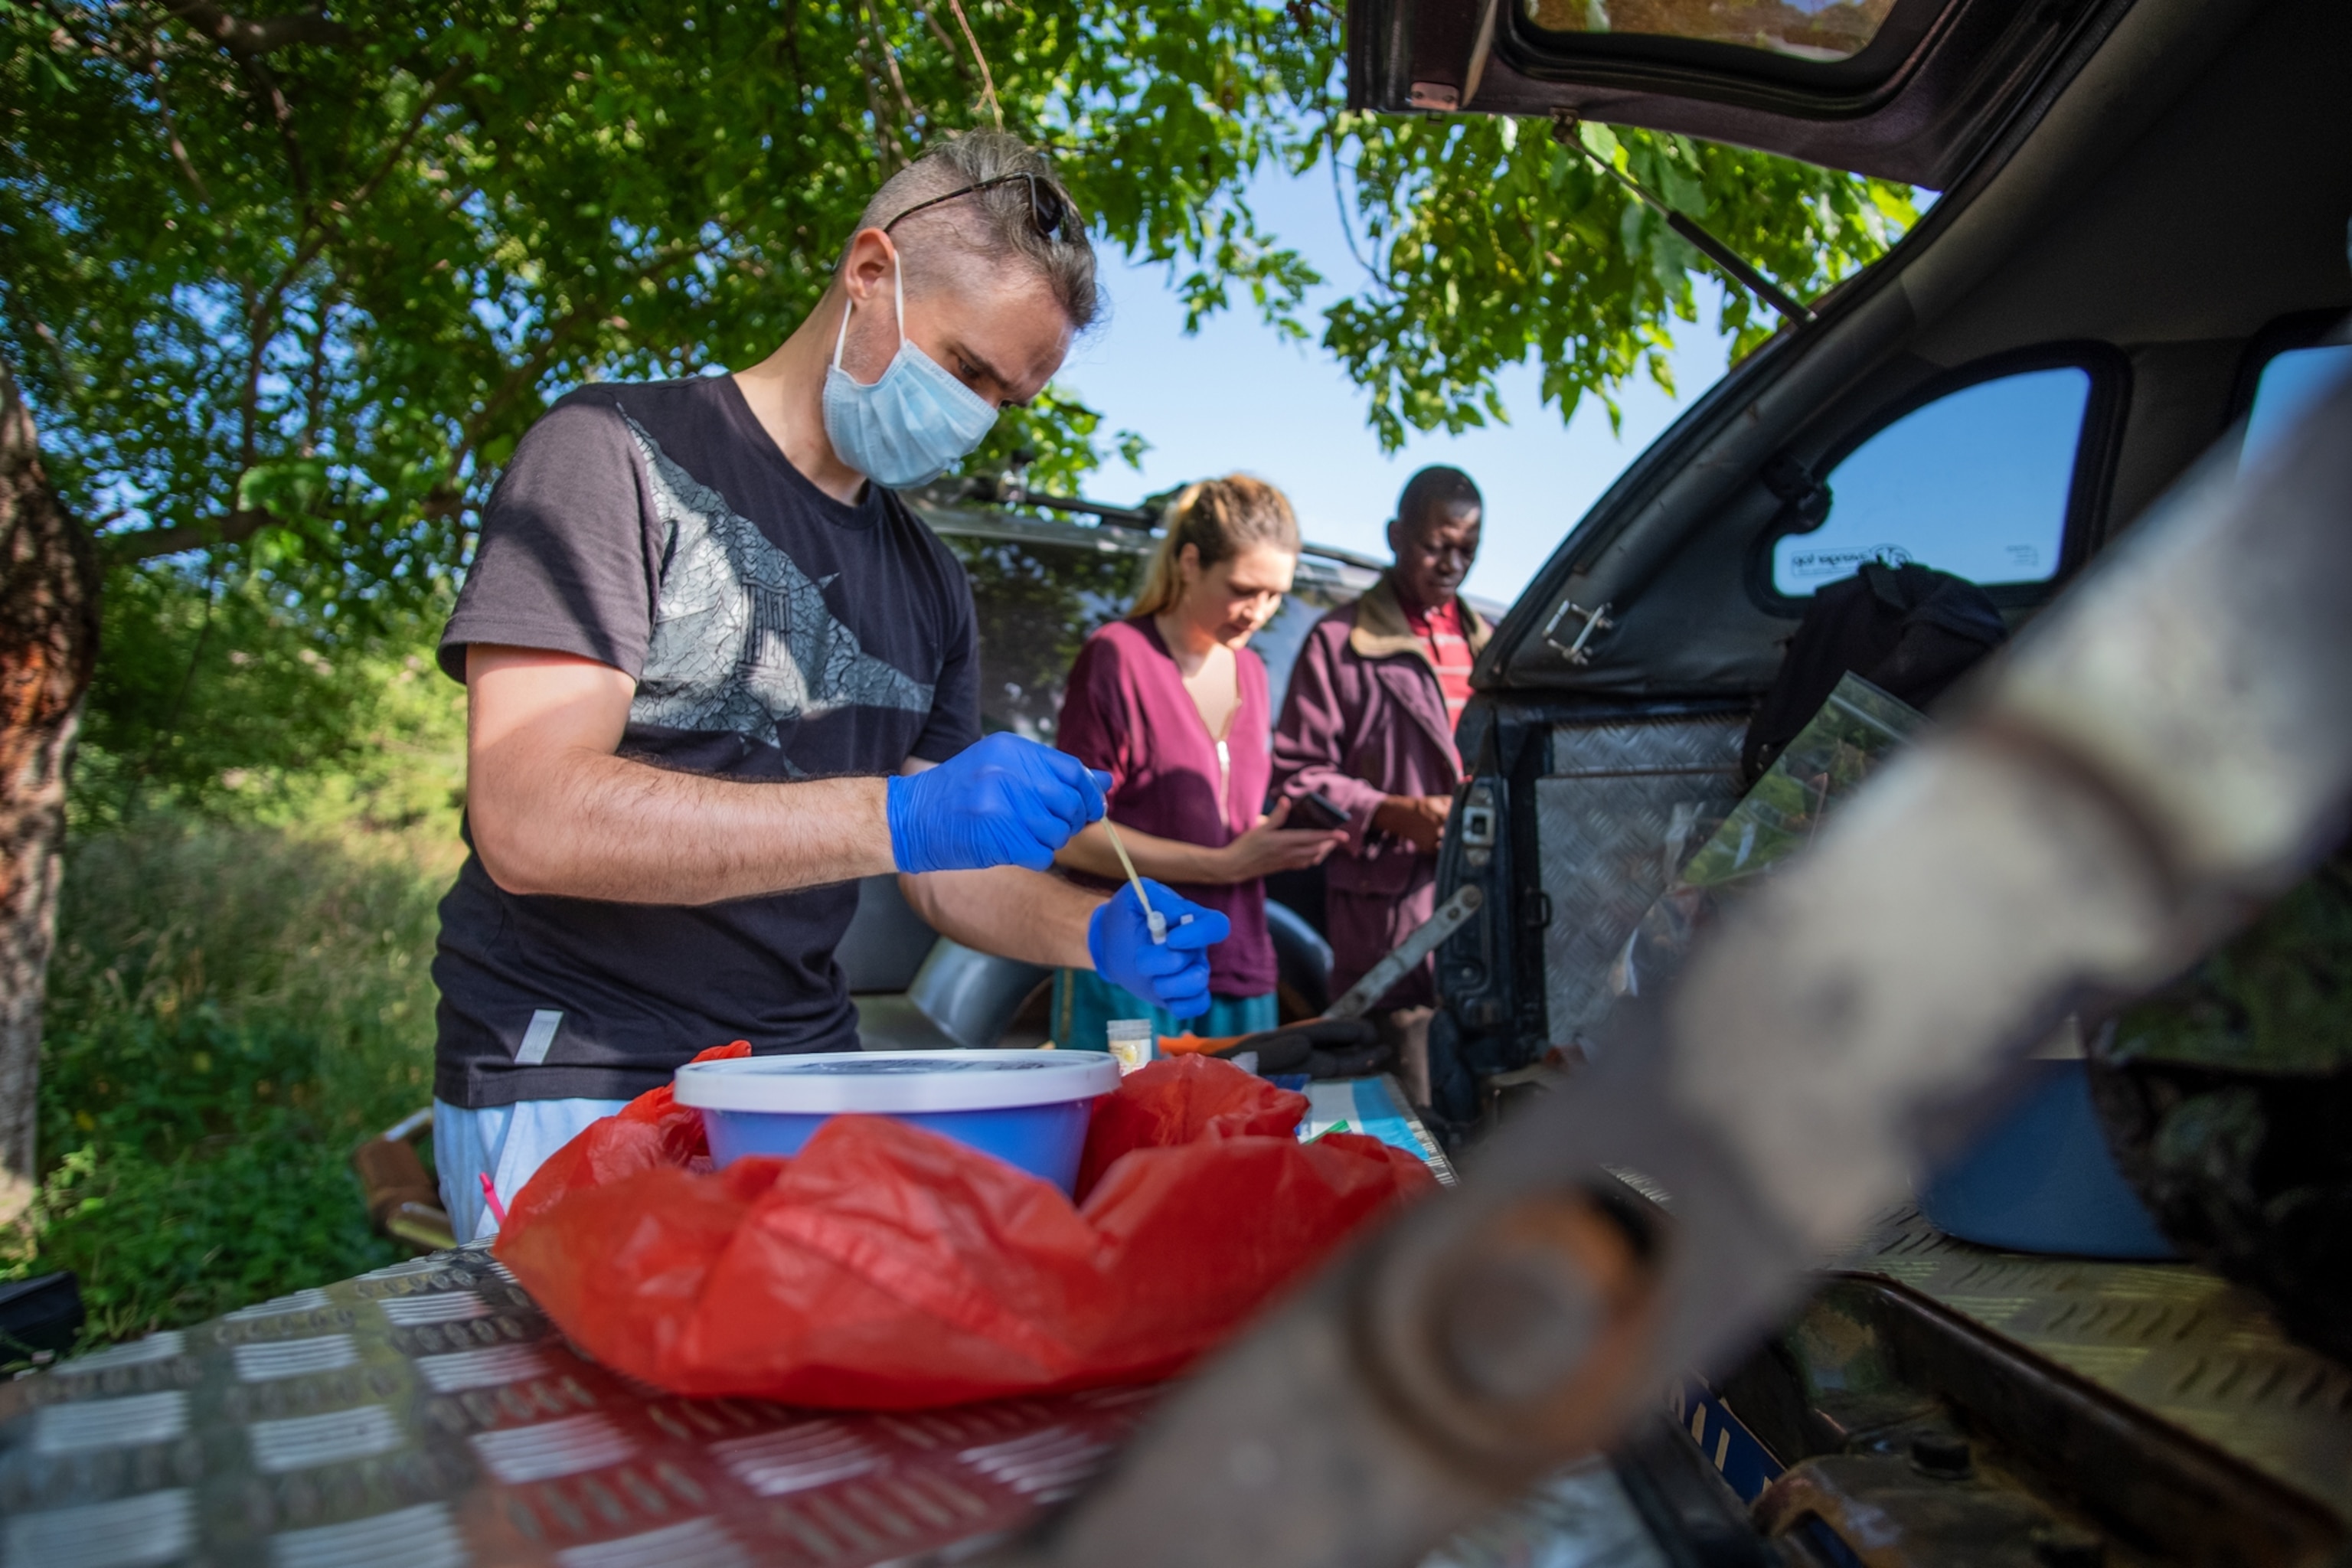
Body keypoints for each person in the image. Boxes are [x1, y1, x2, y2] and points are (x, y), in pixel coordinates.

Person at [428, 131, 1226, 1240]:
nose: (979, 418)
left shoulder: (930, 580)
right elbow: (527, 818)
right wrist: (898, 812)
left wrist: (1093, 932)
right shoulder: (608, 453)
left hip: (803, 1082)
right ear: (868, 274)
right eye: (967, 370)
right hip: (581, 1084)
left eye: (1010, 399)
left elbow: (945, 882)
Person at [1048, 476, 1346, 1051]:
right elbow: (1073, 838)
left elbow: (1219, 822)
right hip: (1134, 964)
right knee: (1130, 1134)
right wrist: (1222, 864)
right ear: (1189, 562)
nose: (1259, 612)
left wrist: (1273, 841)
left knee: (1241, 1135)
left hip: (1238, 965)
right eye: (1243, 589)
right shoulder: (1118, 656)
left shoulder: (1253, 673)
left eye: (1276, 594)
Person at [1269, 465, 1488, 1108]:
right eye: (1434, 544)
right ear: (1395, 535)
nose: (1451, 564)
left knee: (1482, 1127)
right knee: (1405, 1126)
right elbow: (1297, 780)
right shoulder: (1339, 644)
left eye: (1467, 550)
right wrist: (1391, 813)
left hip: (1479, 926)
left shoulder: (1490, 648)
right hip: (1389, 934)